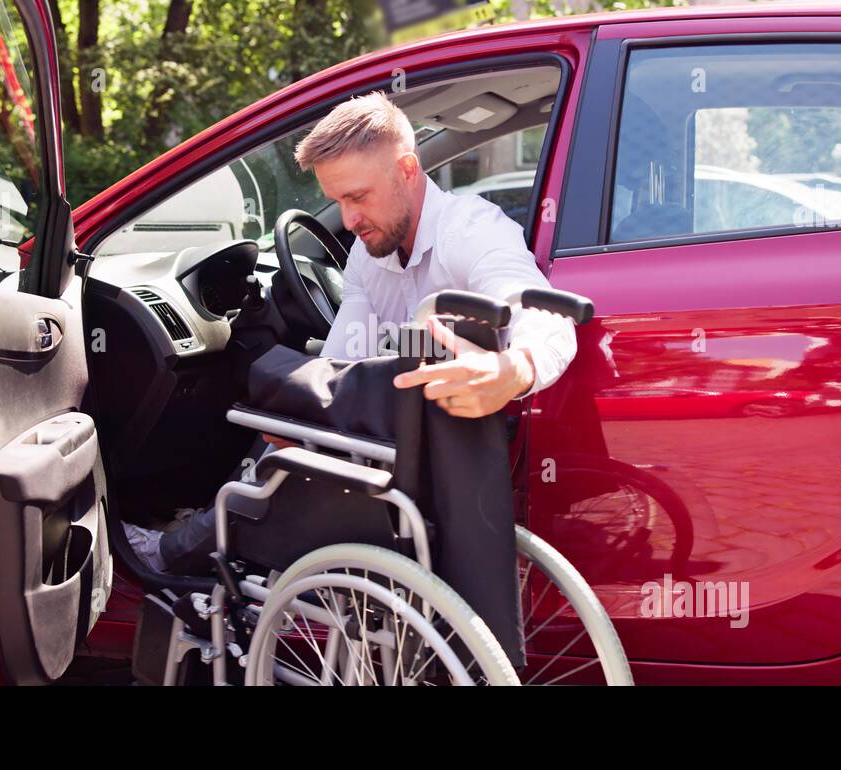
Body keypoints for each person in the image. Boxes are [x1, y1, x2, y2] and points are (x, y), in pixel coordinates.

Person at [126, 91, 577, 575]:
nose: (347, 220)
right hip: (395, 443)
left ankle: (184, 549)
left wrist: (515, 368)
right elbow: (344, 358)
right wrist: (294, 416)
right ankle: (222, 533)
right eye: (337, 200)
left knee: (280, 435)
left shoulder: (471, 231)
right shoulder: (367, 254)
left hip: (462, 459)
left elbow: (542, 312)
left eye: (358, 197)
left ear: (406, 169)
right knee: (286, 417)